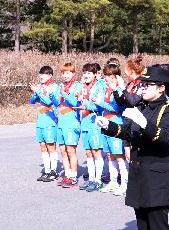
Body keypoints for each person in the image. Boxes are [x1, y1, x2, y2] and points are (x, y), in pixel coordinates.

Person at [96, 65, 169, 230]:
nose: (142, 88)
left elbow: (168, 138)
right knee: (142, 225)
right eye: (142, 84)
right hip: (139, 173)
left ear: (161, 88)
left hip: (157, 177)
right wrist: (110, 127)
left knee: (158, 227)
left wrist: (144, 123)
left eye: (147, 85)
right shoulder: (142, 106)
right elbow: (129, 132)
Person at [96, 60, 129, 196]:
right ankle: (114, 181)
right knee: (109, 155)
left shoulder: (119, 90)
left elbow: (118, 108)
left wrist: (102, 103)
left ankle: (125, 183)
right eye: (105, 76)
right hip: (106, 123)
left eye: (109, 76)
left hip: (116, 124)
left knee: (119, 155)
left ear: (115, 77)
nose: (106, 78)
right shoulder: (105, 90)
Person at [77, 63, 106, 192]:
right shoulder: (83, 86)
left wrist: (86, 104)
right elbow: (82, 102)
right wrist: (80, 99)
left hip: (95, 123)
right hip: (85, 122)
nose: (86, 76)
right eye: (84, 73)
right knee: (88, 152)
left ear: (95, 74)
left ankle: (98, 180)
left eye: (89, 73)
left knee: (96, 152)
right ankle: (91, 178)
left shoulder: (100, 86)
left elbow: (99, 105)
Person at [53, 62, 83, 188]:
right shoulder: (61, 86)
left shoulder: (77, 86)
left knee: (71, 151)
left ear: (73, 73)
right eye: (63, 73)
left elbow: (74, 102)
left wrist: (64, 93)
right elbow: (56, 103)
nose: (65, 75)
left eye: (68, 73)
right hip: (61, 122)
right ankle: (67, 175)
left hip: (72, 123)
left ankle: (74, 177)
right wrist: (52, 95)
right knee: (63, 151)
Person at [30, 66, 59, 182]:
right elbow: (32, 101)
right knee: (42, 146)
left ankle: (54, 171)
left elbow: (48, 102)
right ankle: (47, 170)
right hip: (40, 121)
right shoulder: (40, 87)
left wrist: (38, 92)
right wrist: (36, 92)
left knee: (51, 146)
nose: (41, 76)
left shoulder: (55, 87)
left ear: (50, 75)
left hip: (50, 121)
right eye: (40, 74)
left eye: (44, 74)